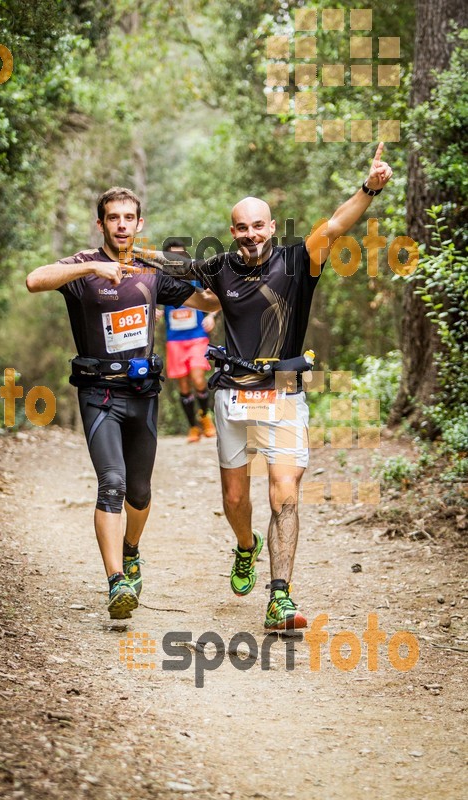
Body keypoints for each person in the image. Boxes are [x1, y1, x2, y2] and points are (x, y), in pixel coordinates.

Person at [188, 143, 392, 631]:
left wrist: (369, 188)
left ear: (272, 227)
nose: (251, 234)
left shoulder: (300, 259)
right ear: (232, 231)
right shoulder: (220, 268)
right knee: (236, 501)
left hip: (283, 393)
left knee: (284, 495)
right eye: (241, 226)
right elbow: (192, 292)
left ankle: (279, 597)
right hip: (232, 395)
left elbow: (339, 223)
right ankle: (245, 547)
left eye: (259, 225)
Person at [25, 187, 219, 620]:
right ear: (102, 223)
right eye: (113, 217)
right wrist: (94, 265)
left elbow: (208, 300)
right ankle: (116, 583)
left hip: (142, 394)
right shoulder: (82, 269)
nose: (121, 224)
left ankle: (131, 550)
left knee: (140, 491)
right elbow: (34, 280)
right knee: (111, 483)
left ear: (139, 223)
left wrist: (220, 283)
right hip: (98, 394)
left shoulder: (151, 272)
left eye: (129, 217)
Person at [163, 239, 218, 443]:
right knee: (184, 386)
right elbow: (149, 300)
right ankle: (193, 427)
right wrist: (155, 313)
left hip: (196, 337)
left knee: (198, 378)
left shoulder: (196, 276)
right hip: (174, 340)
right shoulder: (163, 278)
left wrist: (211, 316)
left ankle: (205, 419)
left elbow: (217, 297)